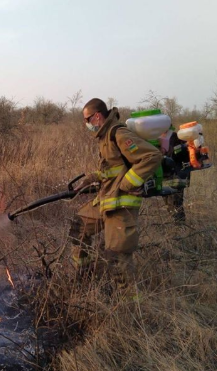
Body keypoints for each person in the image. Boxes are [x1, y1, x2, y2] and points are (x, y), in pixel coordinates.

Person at [69, 98, 163, 287]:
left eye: (87, 119)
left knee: (117, 257)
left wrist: (127, 184)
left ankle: (128, 306)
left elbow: (152, 156)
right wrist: (91, 179)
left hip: (121, 204)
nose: (86, 124)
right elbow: (113, 169)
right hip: (106, 199)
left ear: (97, 116)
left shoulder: (118, 133)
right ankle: (84, 279)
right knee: (78, 229)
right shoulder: (104, 137)